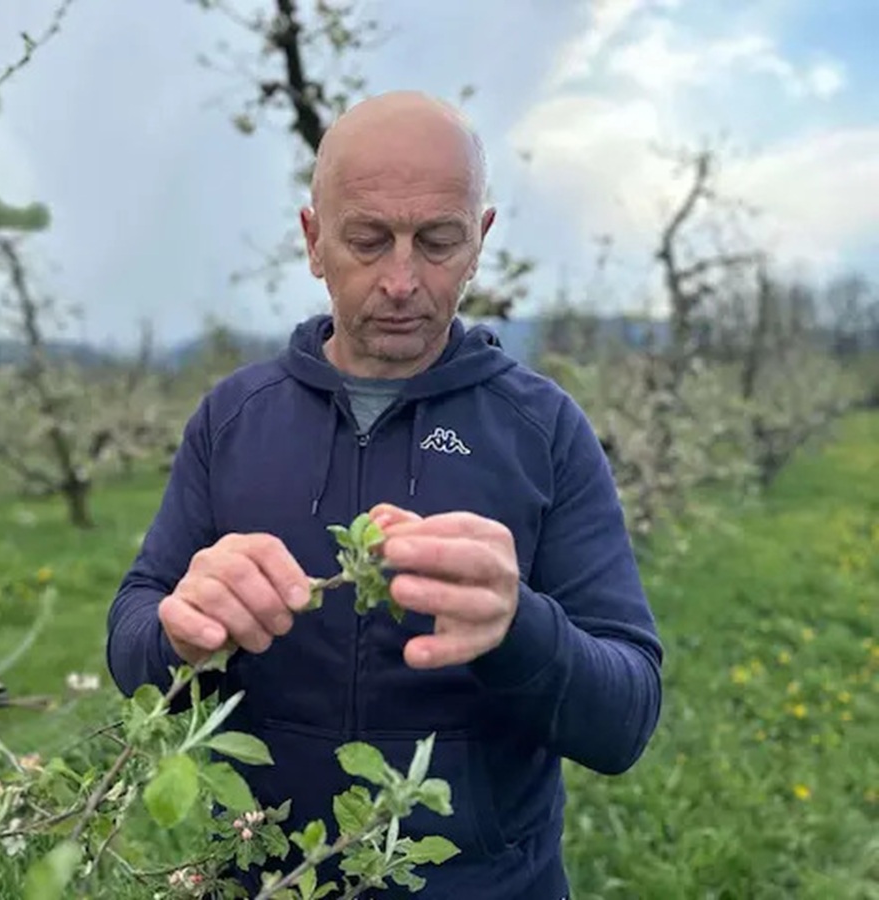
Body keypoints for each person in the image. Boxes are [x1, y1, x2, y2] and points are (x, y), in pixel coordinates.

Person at [105, 90, 663, 899]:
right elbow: (134, 631)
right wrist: (176, 632)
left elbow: (626, 720)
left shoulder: (541, 429)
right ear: (313, 241)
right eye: (368, 239)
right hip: (265, 879)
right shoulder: (234, 419)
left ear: (480, 242)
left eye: (437, 241)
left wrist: (520, 629)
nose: (402, 280)